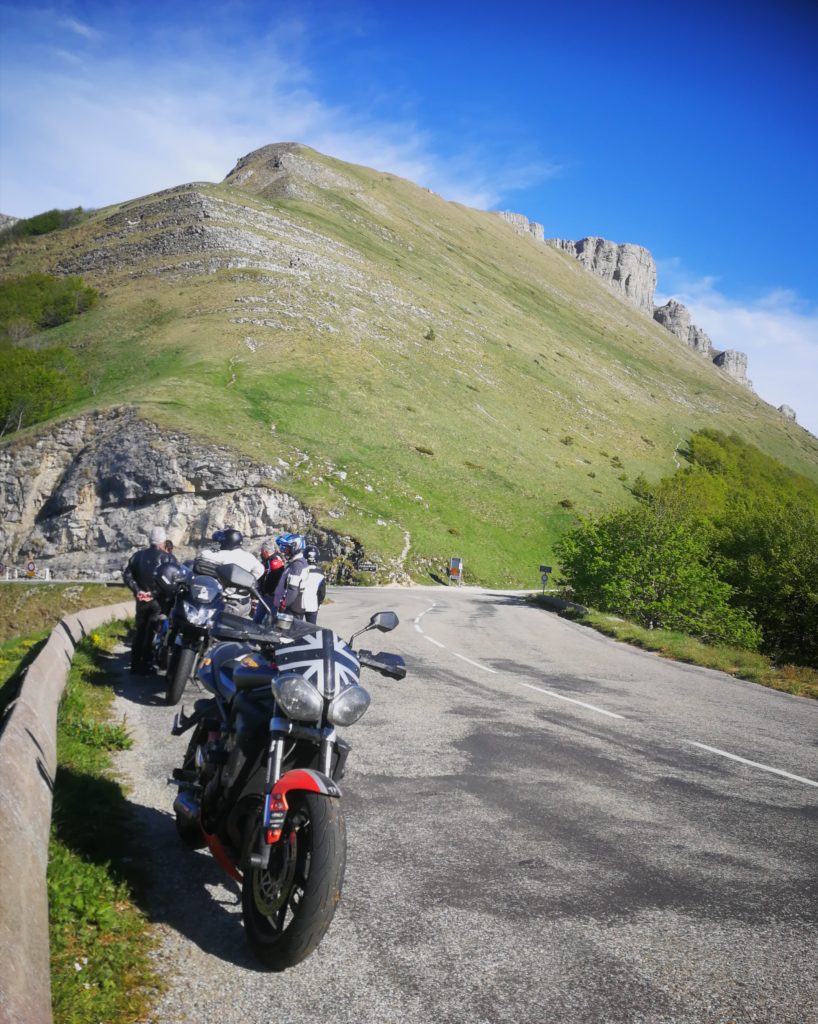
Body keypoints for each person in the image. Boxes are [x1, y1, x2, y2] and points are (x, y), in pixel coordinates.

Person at [122, 526, 176, 674]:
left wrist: (138, 591)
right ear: (163, 541)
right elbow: (174, 579)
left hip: (141, 600)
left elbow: (127, 575)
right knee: (153, 631)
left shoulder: (137, 556)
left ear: (149, 540)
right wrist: (154, 593)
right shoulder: (168, 558)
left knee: (140, 630)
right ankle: (147, 663)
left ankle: (135, 664)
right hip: (159, 601)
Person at [273, 535, 310, 619]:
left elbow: (293, 589)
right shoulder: (296, 562)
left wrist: (284, 605)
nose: (284, 551)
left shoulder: (297, 565)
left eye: (287, 548)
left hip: (292, 608)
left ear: (295, 547)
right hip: (292, 606)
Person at [253, 539, 286, 623]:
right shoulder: (269, 560)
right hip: (266, 595)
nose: (261, 554)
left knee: (268, 620)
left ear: (265, 552)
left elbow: (274, 578)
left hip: (271, 596)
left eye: (262, 552)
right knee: (258, 618)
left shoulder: (274, 561)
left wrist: (269, 592)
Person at [301, 545, 327, 624]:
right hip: (312, 605)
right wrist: (319, 603)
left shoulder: (300, 570)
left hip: (299, 604)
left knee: (297, 627)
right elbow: (321, 592)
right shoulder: (320, 574)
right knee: (312, 628)